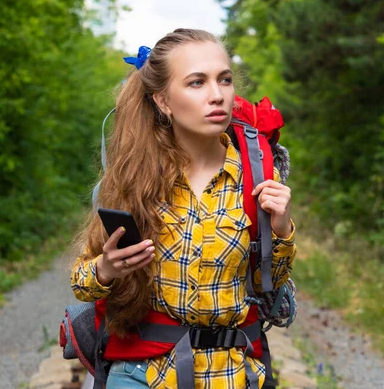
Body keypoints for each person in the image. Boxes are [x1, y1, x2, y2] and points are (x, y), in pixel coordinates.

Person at [70, 28, 296, 388]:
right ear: (162, 101)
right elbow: (81, 282)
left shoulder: (256, 175)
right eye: (196, 83)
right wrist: (107, 268)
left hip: (230, 374)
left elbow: (266, 286)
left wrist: (281, 230)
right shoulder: (133, 178)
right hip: (141, 373)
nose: (217, 95)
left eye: (224, 80)